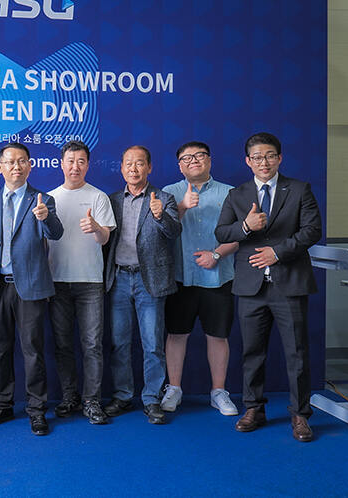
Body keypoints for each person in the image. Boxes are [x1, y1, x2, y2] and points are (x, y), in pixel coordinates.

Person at [215, 132, 322, 442]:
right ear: (248, 161)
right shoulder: (237, 194)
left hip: (290, 283)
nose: (264, 162)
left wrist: (278, 252)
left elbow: (312, 230)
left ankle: (300, 414)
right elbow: (222, 233)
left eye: (270, 156)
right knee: (252, 352)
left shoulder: (299, 189)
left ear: (280, 158)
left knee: (297, 353)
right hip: (251, 287)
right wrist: (246, 226)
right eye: (258, 157)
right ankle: (254, 409)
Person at [0, 142, 64, 436]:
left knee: (33, 351)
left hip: (30, 287)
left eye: (22, 161)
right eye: (11, 162)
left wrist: (46, 217)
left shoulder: (43, 199)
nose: (17, 166)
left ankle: (37, 411)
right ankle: (1, 405)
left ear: (30, 166)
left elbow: (56, 233)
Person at [160, 141, 239, 417]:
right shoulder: (168, 193)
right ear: (179, 166)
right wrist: (181, 207)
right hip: (179, 278)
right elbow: (161, 232)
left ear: (209, 159)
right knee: (176, 334)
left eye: (199, 155)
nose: (193, 160)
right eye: (186, 158)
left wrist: (216, 254)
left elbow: (242, 234)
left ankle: (218, 392)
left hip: (218, 277)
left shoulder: (230, 193)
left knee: (218, 336)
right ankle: (174, 388)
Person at [103, 145, 180, 425]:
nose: (133, 169)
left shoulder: (164, 198)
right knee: (119, 343)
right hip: (119, 279)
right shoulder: (112, 200)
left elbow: (174, 232)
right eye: (128, 164)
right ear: (122, 168)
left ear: (149, 167)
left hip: (150, 281)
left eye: (139, 163)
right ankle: (123, 396)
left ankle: (151, 399)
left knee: (152, 344)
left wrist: (160, 216)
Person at [46, 141, 116, 425]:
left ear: (88, 165)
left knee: (92, 344)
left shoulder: (98, 197)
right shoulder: (49, 198)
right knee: (62, 344)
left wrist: (96, 228)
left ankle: (92, 401)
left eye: (81, 161)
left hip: (90, 282)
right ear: (61, 164)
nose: (75, 166)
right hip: (57, 282)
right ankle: (69, 397)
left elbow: (105, 238)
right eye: (70, 161)